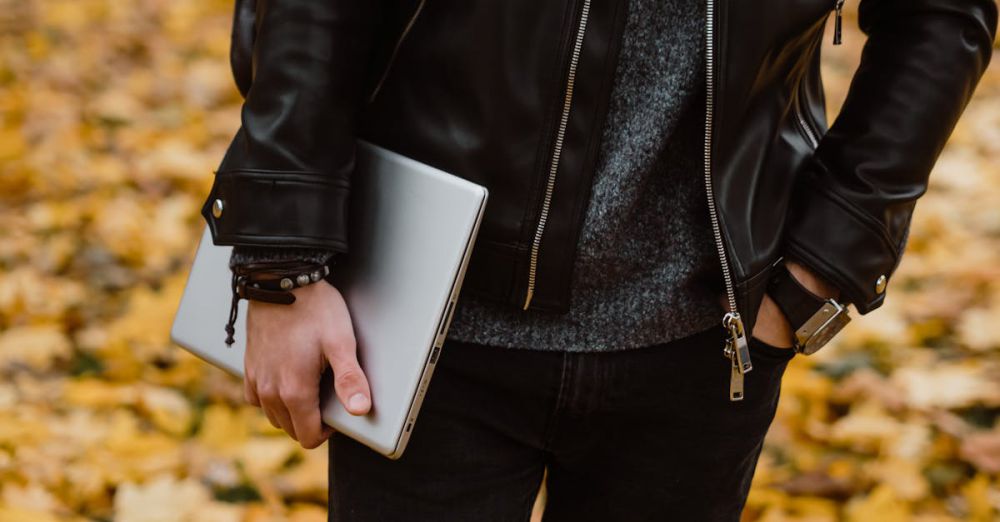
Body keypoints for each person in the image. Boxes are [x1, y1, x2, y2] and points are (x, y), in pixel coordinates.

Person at [199, 0, 997, 519]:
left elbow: (941, 14)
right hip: (423, 327)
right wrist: (282, 260)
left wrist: (824, 265)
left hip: (705, 343)